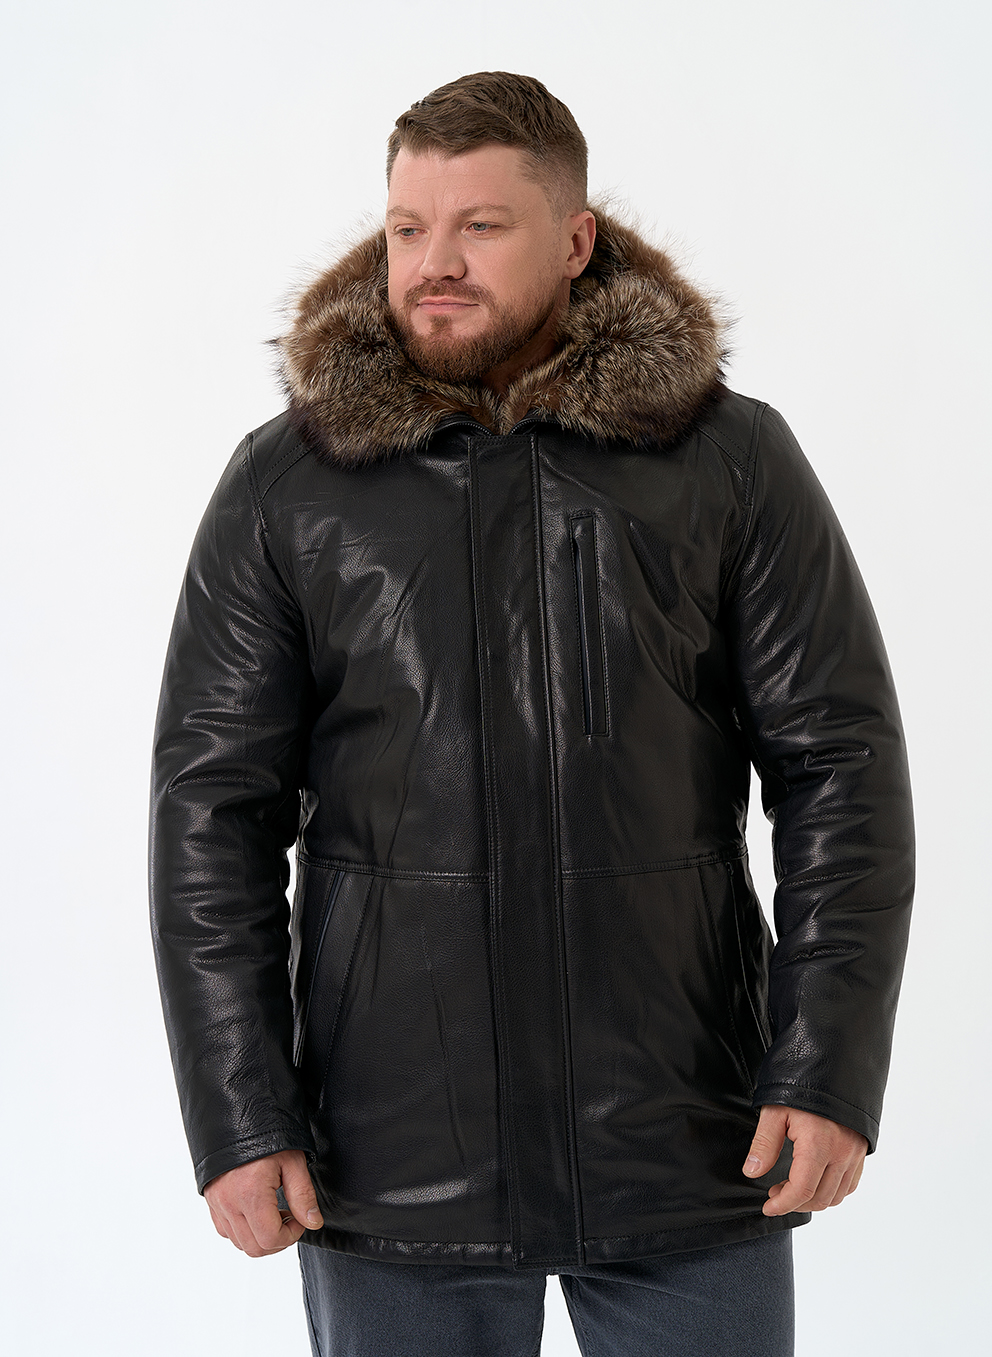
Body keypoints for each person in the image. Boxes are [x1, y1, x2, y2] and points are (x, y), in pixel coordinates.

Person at [149, 72, 914, 1357]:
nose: (433, 263)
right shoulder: (288, 483)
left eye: (480, 226)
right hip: (385, 1152)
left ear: (573, 239)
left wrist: (826, 1063)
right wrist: (238, 1111)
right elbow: (211, 812)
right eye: (407, 227)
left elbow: (838, 769)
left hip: (687, 1136)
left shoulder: (727, 460)